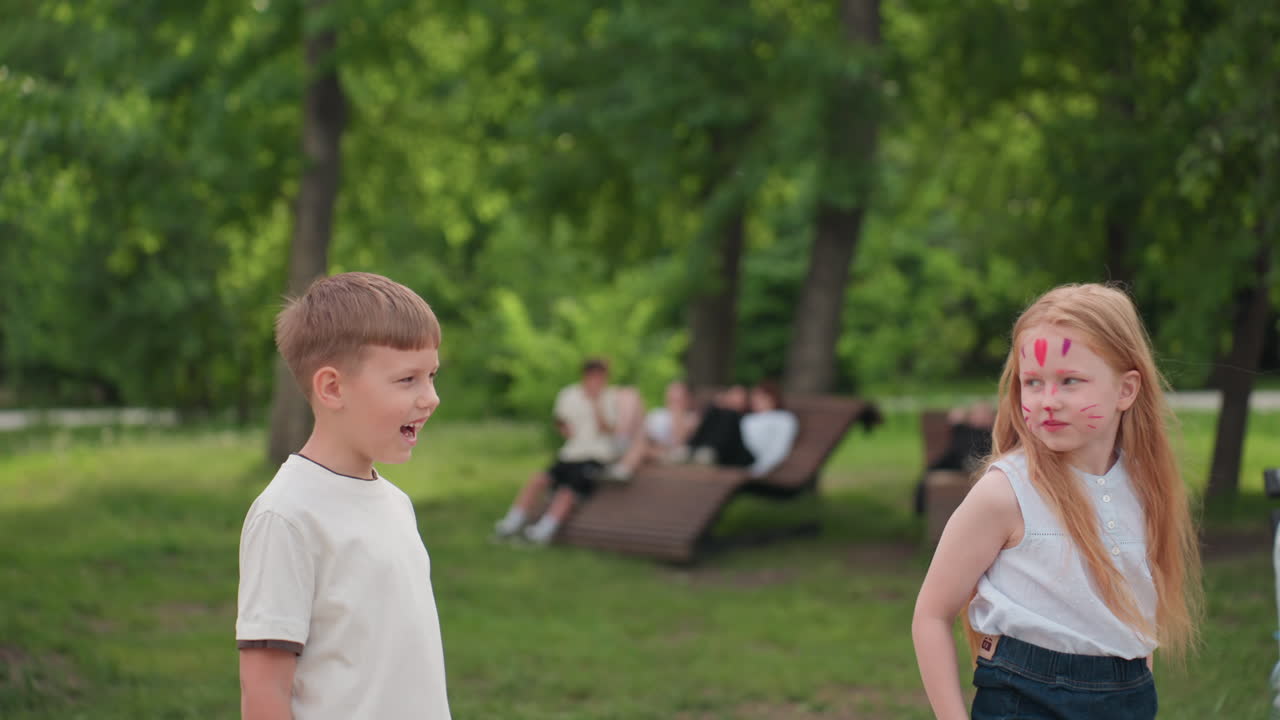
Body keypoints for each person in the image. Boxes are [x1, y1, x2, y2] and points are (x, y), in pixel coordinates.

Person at [912, 283, 1201, 720]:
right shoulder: (1005, 492)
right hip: (1024, 700)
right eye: (1033, 382)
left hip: (1129, 696)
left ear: (1126, 390)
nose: (1048, 402)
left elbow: (1134, 614)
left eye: (1070, 381)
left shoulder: (1145, 488)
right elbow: (931, 615)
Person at [237, 272, 451, 719]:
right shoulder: (287, 516)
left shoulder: (396, 505)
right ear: (333, 388)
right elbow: (264, 692)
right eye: (407, 379)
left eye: (431, 376)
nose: (430, 398)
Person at [493, 358, 625, 545]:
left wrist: (596, 403)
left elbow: (609, 429)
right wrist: (564, 428)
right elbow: (560, 420)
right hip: (571, 453)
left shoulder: (610, 397)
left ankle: (544, 530)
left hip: (595, 455)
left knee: (568, 491)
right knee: (539, 479)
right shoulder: (569, 394)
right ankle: (512, 522)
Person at [681, 380, 799, 478]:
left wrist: (759, 470)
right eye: (755, 397)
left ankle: (706, 453)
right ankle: (690, 449)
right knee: (716, 410)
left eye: (762, 397)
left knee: (729, 413)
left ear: (773, 398)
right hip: (731, 452)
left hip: (749, 458)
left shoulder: (783, 418)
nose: (757, 401)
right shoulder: (750, 417)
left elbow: (779, 447)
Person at [605, 380, 700, 480]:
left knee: (641, 444)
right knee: (630, 393)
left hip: (661, 450)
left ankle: (622, 468)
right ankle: (621, 440)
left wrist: (677, 411)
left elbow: (679, 442)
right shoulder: (659, 412)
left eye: (676, 392)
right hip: (641, 438)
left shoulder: (690, 417)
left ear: (687, 397)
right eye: (670, 391)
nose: (670, 395)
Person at [914, 401, 995, 515]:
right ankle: (921, 509)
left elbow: (969, 450)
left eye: (984, 413)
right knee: (929, 473)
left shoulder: (988, 434)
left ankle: (920, 509)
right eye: (976, 414)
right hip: (960, 461)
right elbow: (957, 450)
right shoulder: (966, 433)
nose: (979, 417)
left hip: (973, 463)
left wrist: (958, 426)